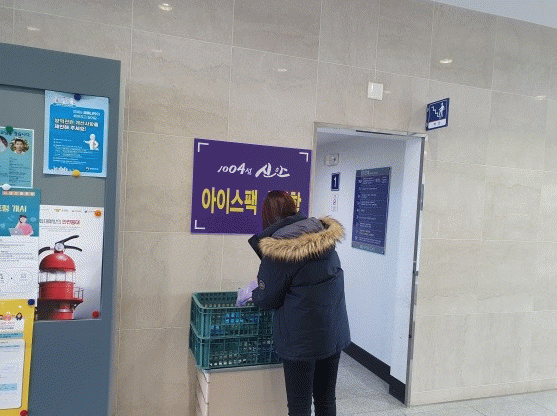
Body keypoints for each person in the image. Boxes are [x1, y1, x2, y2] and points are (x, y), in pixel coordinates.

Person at [247, 190, 350, 416]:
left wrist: (252, 293)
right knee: (326, 400)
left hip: (300, 340)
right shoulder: (324, 240)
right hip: (332, 332)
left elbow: (267, 298)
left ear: (267, 217)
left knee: (299, 406)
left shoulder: (279, 251)